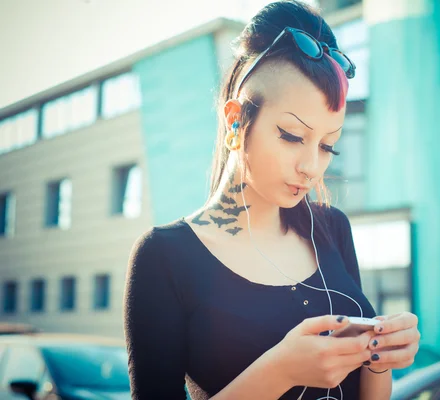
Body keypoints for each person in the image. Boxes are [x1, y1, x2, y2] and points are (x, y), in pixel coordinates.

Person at [123, 1, 420, 399]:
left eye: (328, 145)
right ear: (235, 121)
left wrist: (381, 355)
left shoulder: (332, 229)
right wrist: (280, 370)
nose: (311, 167)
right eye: (292, 136)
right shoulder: (164, 256)